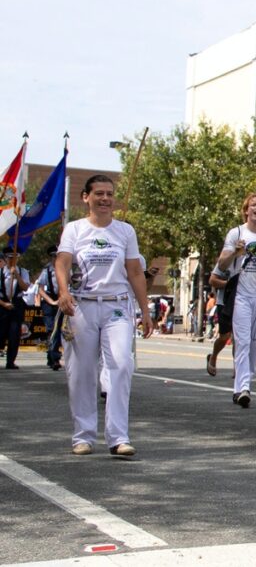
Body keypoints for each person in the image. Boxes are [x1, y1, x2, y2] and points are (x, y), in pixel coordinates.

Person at [55, 175, 154, 456]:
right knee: (82, 372)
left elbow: (135, 272)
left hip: (118, 306)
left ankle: (118, 437)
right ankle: (83, 436)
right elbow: (61, 262)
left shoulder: (125, 231)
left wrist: (145, 311)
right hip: (82, 306)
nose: (105, 199)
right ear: (86, 197)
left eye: (110, 194)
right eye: (99, 193)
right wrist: (63, 292)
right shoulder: (74, 230)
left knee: (122, 365)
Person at [216, 192, 256, 408]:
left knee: (254, 342)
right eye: (252, 205)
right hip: (241, 296)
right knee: (242, 341)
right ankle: (242, 388)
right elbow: (222, 265)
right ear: (246, 210)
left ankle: (246, 381)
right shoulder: (236, 233)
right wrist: (235, 252)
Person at [1, 246, 31, 369]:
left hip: (17, 305)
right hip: (2, 305)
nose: (12, 260)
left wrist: (17, 275)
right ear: (5, 258)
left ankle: (10, 361)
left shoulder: (23, 271)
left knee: (14, 335)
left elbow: (26, 288)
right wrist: (4, 304)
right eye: (10, 258)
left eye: (15, 258)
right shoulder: (1, 272)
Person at [36, 246, 62, 370]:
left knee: (60, 331)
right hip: (49, 302)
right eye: (53, 256)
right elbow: (40, 289)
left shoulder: (65, 269)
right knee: (52, 330)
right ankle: (54, 358)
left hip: (62, 301)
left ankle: (51, 356)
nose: (55, 258)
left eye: (57, 256)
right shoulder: (46, 270)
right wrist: (51, 301)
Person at [205, 263, 234, 376]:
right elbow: (212, 281)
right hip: (224, 303)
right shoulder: (225, 261)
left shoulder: (250, 260)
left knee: (239, 337)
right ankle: (213, 356)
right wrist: (229, 284)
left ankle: (237, 367)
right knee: (225, 337)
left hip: (242, 303)